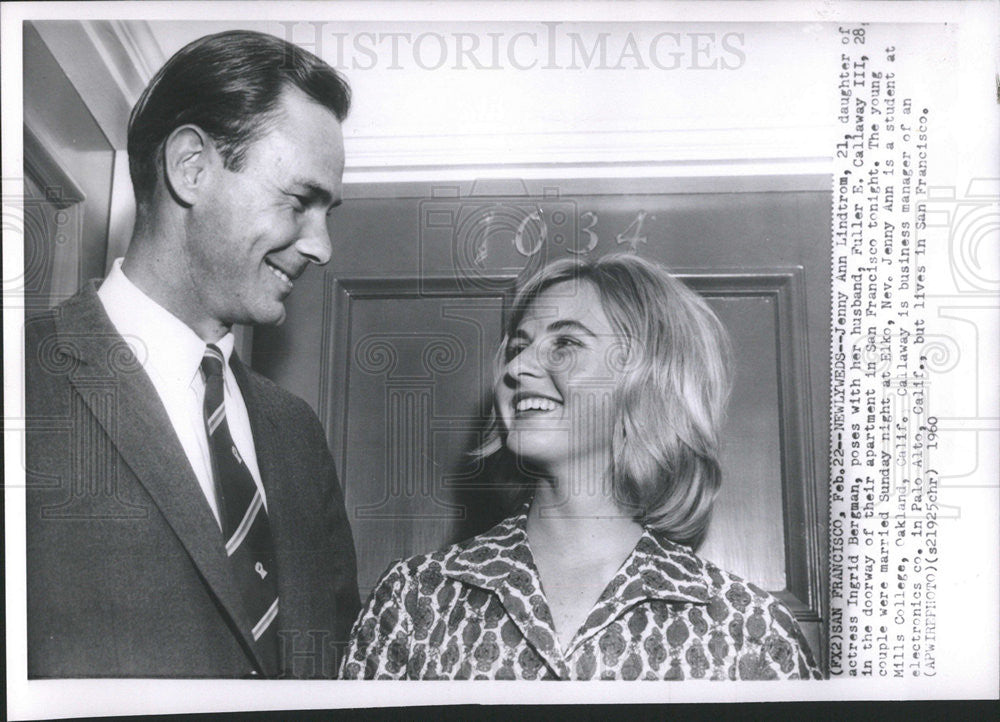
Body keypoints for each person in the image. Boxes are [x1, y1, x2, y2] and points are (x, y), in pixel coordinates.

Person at [25, 30, 359, 678]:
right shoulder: (21, 382)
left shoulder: (298, 435)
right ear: (191, 167)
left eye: (329, 212)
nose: (321, 246)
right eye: (299, 202)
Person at [340, 254, 822, 680]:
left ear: (647, 379)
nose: (517, 368)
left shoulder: (748, 630)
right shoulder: (416, 600)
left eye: (565, 343)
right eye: (517, 347)